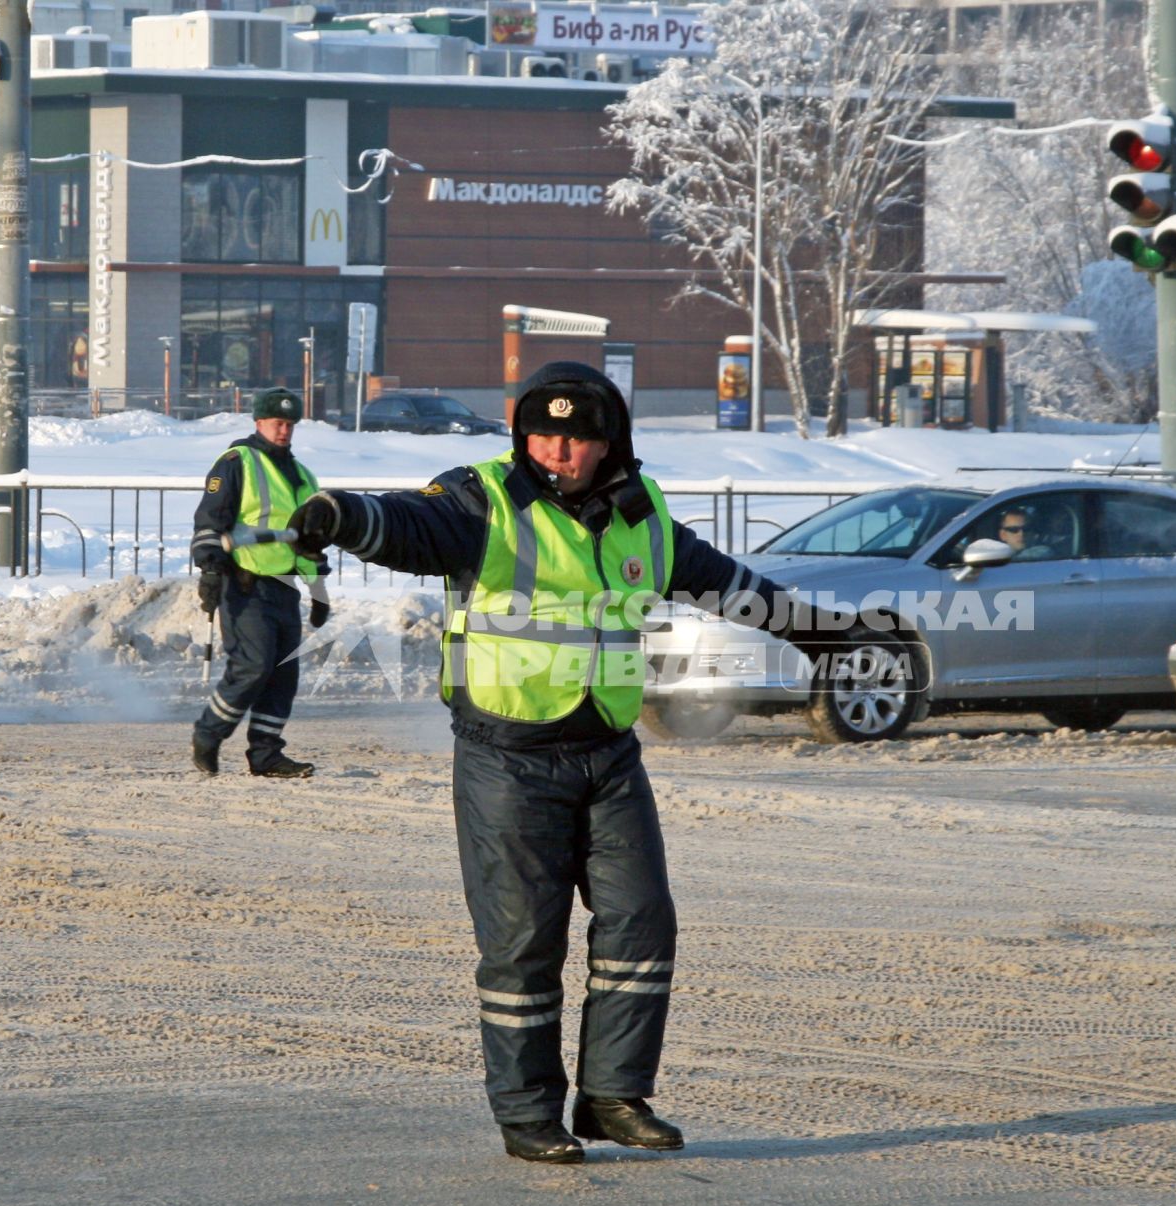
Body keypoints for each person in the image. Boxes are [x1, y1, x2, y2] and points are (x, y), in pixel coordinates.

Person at [289, 361, 804, 1164]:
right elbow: (409, 527)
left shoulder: (641, 511)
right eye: (543, 433)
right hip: (508, 756)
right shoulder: (482, 498)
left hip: (607, 749)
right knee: (523, 940)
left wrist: (817, 628)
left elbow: (715, 578)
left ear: (610, 445)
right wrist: (342, 515)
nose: (557, 449)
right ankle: (529, 1113)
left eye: (576, 437)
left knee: (641, 921)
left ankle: (612, 1097)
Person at [188, 386, 329, 778]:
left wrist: (318, 592)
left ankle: (266, 755)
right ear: (259, 423)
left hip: (284, 588)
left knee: (283, 675)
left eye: (289, 424)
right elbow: (210, 521)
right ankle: (208, 733)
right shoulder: (237, 462)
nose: (284, 431)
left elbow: (310, 542)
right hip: (244, 584)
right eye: (277, 423)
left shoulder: (303, 474)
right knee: (253, 666)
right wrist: (211, 571)